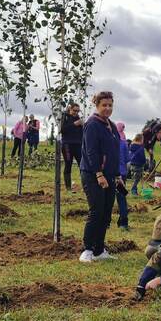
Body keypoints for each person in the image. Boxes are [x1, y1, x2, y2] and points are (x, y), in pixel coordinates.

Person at [79, 91, 121, 263]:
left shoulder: (110, 124)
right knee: (96, 211)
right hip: (92, 174)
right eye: (104, 105)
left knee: (105, 213)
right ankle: (87, 250)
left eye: (110, 105)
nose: (108, 108)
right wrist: (99, 173)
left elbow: (114, 151)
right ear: (97, 105)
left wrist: (117, 174)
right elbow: (91, 152)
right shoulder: (92, 124)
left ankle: (99, 249)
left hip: (110, 175)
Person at [61, 103, 84, 191]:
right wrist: (74, 124)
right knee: (68, 164)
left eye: (78, 111)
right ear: (70, 109)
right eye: (74, 110)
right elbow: (62, 129)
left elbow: (82, 133)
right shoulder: (64, 117)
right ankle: (68, 187)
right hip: (67, 145)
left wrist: (82, 126)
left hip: (78, 145)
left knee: (82, 165)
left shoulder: (78, 119)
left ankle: (85, 186)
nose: (76, 113)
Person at [115, 122, 130, 230]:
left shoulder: (110, 141)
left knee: (108, 198)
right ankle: (123, 223)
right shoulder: (124, 142)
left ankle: (106, 223)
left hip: (111, 173)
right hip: (122, 173)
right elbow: (127, 159)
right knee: (121, 198)